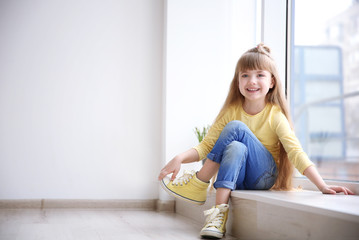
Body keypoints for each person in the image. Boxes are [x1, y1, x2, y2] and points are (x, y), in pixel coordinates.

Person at [158, 43, 354, 239]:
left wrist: (322, 186)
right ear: (238, 82)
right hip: (237, 175)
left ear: (272, 82)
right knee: (235, 146)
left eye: (260, 75)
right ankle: (217, 218)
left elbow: (295, 151)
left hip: (263, 176)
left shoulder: (275, 115)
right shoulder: (231, 110)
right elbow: (207, 145)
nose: (252, 81)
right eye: (245, 75)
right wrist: (179, 158)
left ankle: (200, 182)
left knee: (236, 128)